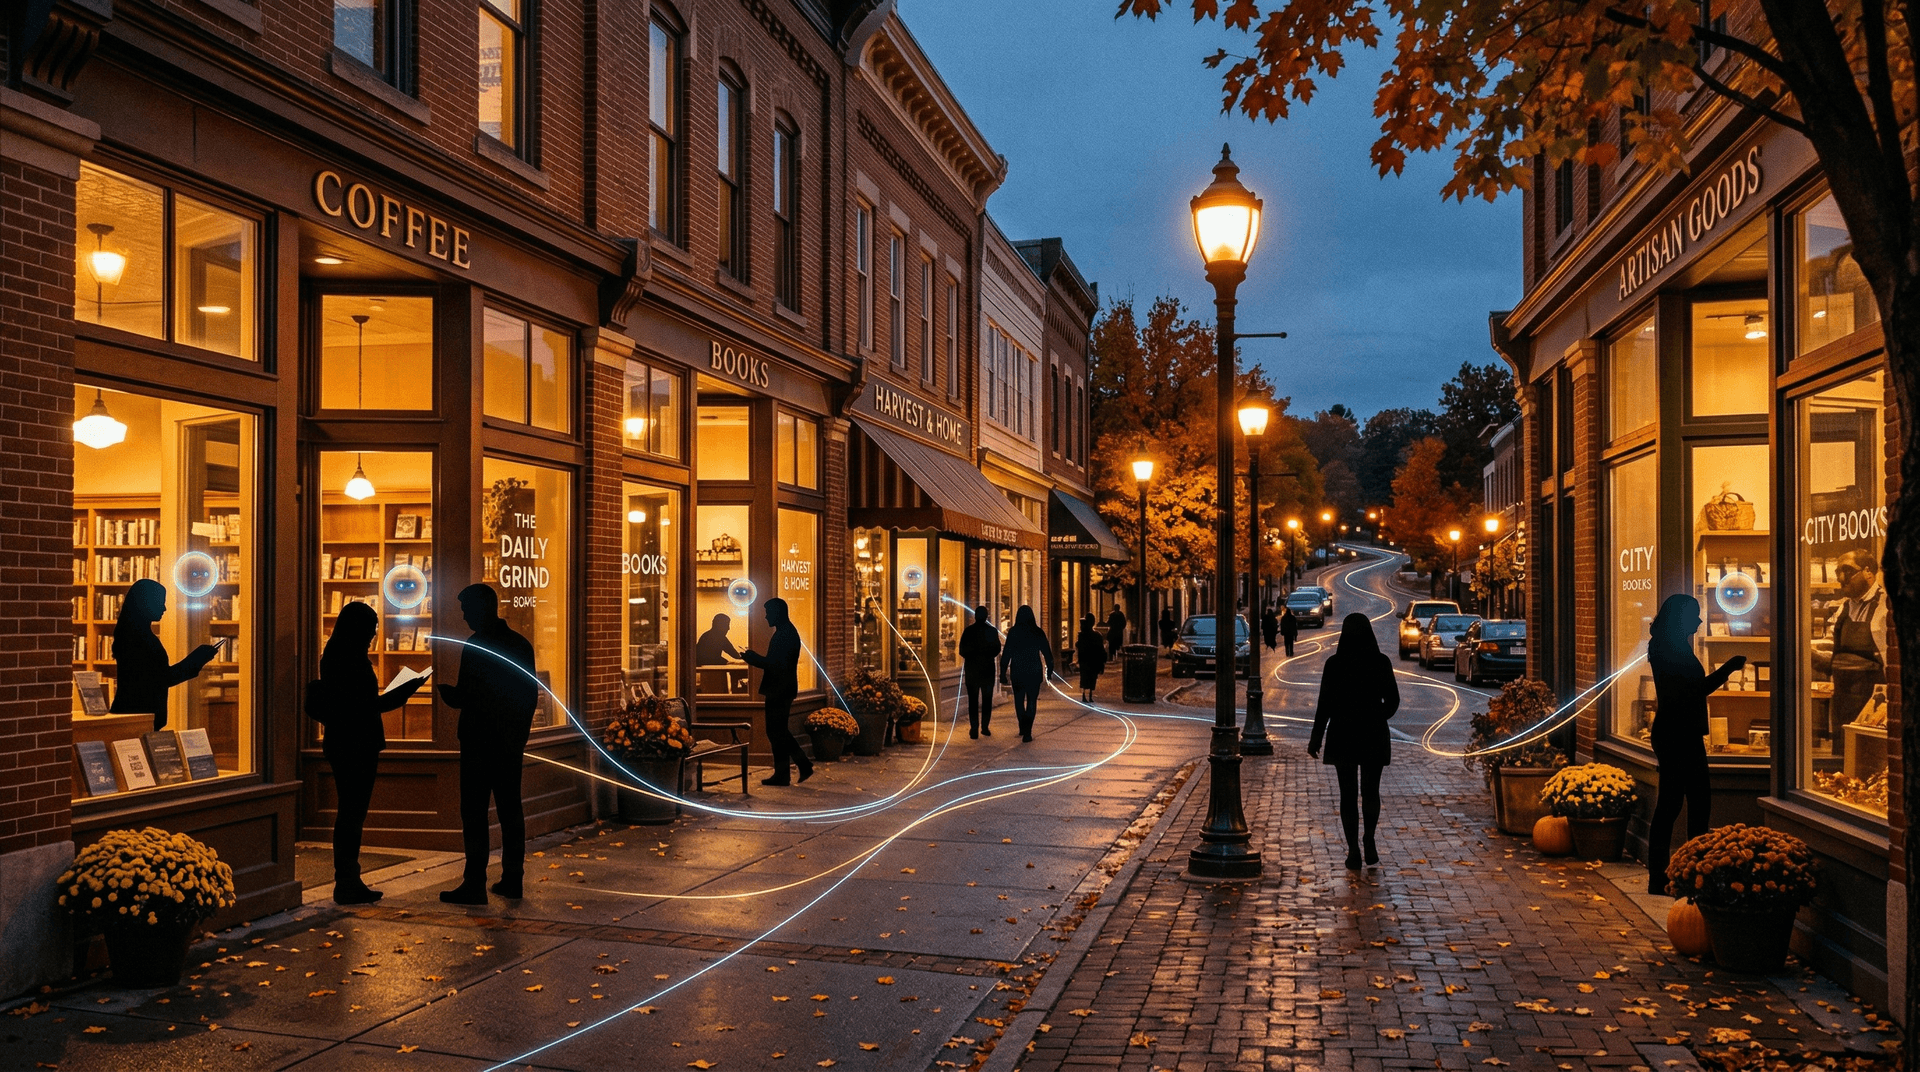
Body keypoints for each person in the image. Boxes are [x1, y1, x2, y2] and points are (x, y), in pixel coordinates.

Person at [316, 602, 427, 903]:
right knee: (352, 813)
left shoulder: (339, 654)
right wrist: (400, 695)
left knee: (352, 813)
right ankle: (347, 881)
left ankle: (349, 878)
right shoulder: (345, 658)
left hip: (349, 742)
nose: (374, 634)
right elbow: (359, 707)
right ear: (357, 628)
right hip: (354, 744)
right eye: (370, 627)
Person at [436, 584, 539, 905]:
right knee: (510, 810)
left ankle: (474, 883)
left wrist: (450, 695)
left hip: (479, 742)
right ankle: (512, 878)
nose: (464, 616)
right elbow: (529, 696)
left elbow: (468, 695)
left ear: (483, 608)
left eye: (467, 610)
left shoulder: (477, 645)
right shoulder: (520, 644)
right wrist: (517, 736)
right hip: (508, 743)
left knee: (475, 813)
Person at [1645, 593, 1745, 895]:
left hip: (1677, 734)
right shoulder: (1669, 649)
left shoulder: (1669, 646)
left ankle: (1677, 875)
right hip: (1679, 736)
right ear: (1680, 618)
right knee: (1687, 805)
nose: (1700, 621)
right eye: (1695, 615)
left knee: (1678, 805)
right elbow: (1693, 690)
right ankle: (1687, 875)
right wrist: (1728, 669)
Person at [1308, 613, 1400, 870]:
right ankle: (1369, 838)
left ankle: (1352, 851)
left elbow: (1323, 705)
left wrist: (1316, 739)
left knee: (1347, 795)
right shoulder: (1381, 662)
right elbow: (1393, 701)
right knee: (1371, 791)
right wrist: (1376, 714)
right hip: (1373, 733)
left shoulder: (1334, 664)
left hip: (1343, 733)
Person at [109, 578, 218, 731]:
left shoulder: (138, 635)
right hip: (136, 718)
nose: (164, 608)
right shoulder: (136, 638)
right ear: (146, 603)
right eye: (160, 602)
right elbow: (158, 679)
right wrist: (196, 660)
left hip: (140, 717)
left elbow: (157, 677)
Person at [1814, 550, 1885, 749]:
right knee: (1842, 754)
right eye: (1838, 572)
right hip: (1842, 700)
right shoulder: (1843, 608)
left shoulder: (1885, 607)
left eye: (1847, 571)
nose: (1841, 578)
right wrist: (1807, 653)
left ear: (1868, 572)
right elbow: (1831, 648)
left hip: (1873, 703)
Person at [740, 597, 813, 786]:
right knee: (778, 732)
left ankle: (797, 767)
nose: (766, 617)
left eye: (768, 613)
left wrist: (752, 657)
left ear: (777, 613)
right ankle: (786, 772)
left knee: (777, 732)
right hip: (783, 688)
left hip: (779, 689)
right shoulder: (786, 632)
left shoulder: (784, 634)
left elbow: (774, 664)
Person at [1000, 606, 1055, 742]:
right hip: (1034, 670)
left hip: (1018, 670)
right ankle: (1028, 731)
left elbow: (1006, 654)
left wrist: (1002, 672)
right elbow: (1048, 654)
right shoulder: (1037, 632)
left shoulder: (1013, 632)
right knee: (1031, 700)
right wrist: (1049, 672)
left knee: (1018, 700)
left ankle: (1022, 726)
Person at [959, 606, 1002, 738]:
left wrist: (972, 655)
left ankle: (974, 728)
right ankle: (985, 727)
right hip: (987, 669)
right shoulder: (992, 631)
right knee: (987, 700)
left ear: (975, 616)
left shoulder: (968, 631)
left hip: (972, 669)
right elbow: (997, 649)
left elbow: (962, 650)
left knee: (973, 700)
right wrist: (987, 655)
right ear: (987, 617)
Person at [1074, 614, 1107, 703]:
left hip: (1085, 660)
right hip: (1093, 660)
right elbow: (1101, 649)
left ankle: (1084, 695)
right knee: (1092, 678)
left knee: (1084, 678)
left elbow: (1078, 645)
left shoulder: (1082, 635)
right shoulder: (1097, 635)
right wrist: (1103, 661)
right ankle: (1090, 695)